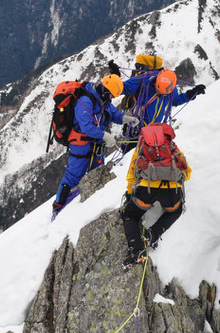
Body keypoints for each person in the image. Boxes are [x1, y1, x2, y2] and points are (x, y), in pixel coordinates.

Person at [52, 74, 136, 216]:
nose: (112, 98)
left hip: (95, 142)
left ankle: (91, 204)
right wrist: (104, 135)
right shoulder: (85, 100)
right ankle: (57, 207)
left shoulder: (103, 100)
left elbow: (113, 114)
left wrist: (126, 119)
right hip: (80, 143)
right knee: (73, 175)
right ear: (105, 90)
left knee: (98, 172)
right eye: (111, 95)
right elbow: (85, 126)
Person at [120, 123, 191, 268]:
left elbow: (132, 174)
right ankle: (152, 235)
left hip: (147, 189)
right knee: (175, 211)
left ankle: (136, 250)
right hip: (172, 191)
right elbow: (187, 172)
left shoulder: (142, 146)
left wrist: (129, 194)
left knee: (130, 215)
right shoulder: (171, 146)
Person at [117, 69, 204, 153]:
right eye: (158, 90)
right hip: (135, 129)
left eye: (164, 93)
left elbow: (175, 100)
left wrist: (191, 94)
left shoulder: (171, 89)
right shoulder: (142, 81)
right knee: (130, 157)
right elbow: (121, 88)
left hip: (154, 131)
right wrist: (115, 76)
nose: (160, 94)